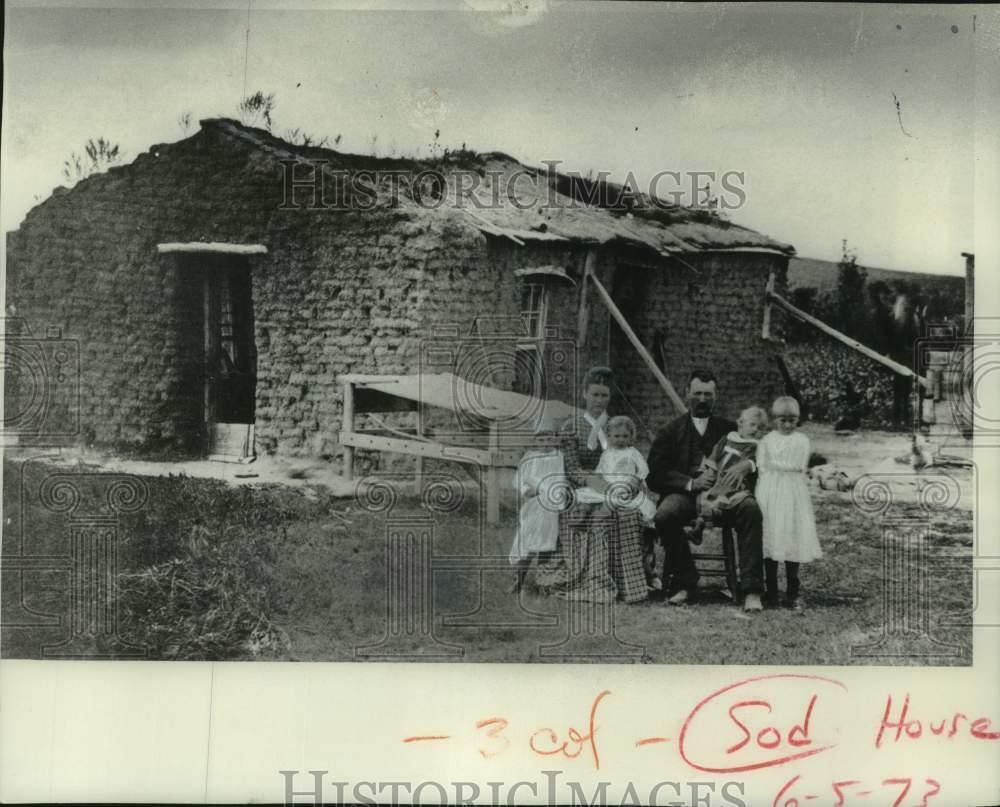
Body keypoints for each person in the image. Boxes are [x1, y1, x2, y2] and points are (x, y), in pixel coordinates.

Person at [647, 370, 765, 611]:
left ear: (716, 396)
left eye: (708, 395)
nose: (702, 400)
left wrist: (748, 465)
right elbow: (655, 475)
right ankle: (685, 581)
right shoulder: (670, 431)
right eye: (697, 393)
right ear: (687, 394)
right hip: (686, 496)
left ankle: (751, 589)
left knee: (751, 509)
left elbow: (765, 452)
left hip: (728, 495)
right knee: (664, 515)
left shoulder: (732, 429)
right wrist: (690, 483)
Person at [533, 367, 648, 603]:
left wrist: (629, 482)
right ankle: (592, 580)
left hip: (616, 486)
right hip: (582, 487)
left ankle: (630, 583)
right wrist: (595, 482)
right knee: (596, 515)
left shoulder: (616, 425)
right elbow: (572, 468)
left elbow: (629, 459)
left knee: (628, 513)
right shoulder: (571, 426)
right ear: (584, 394)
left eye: (604, 395)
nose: (599, 400)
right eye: (594, 395)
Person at [756, 396, 822, 609]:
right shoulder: (767, 441)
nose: (787, 425)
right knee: (771, 534)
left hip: (793, 491)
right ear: (775, 420)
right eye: (782, 420)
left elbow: (801, 466)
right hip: (772, 490)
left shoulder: (801, 440)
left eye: (792, 420)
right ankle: (771, 590)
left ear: (798, 420)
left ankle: (793, 591)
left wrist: (786, 471)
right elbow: (762, 465)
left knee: (792, 535)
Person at [685, 406, 769, 545]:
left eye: (760, 428)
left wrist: (750, 463)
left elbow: (760, 462)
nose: (755, 430)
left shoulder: (756, 446)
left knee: (731, 499)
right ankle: (700, 525)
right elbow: (714, 455)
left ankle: (702, 523)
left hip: (736, 484)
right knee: (705, 497)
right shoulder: (728, 438)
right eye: (752, 425)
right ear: (741, 423)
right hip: (718, 478)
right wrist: (710, 469)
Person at [507, 431, 567, 592]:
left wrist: (555, 495)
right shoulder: (530, 456)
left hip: (551, 507)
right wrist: (526, 489)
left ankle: (543, 583)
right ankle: (518, 579)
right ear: (535, 440)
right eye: (541, 439)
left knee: (546, 544)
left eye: (549, 439)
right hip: (533, 505)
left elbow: (560, 479)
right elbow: (520, 478)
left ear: (556, 439)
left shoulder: (559, 456)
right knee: (526, 542)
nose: (545, 443)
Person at [574, 415, 658, 523]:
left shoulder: (632, 452)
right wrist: (598, 477)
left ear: (631, 437)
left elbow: (644, 469)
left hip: (626, 484)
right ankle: (585, 514)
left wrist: (636, 479)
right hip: (608, 484)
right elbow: (600, 469)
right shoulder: (607, 453)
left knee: (618, 499)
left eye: (625, 436)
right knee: (589, 494)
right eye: (617, 436)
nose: (621, 440)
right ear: (609, 436)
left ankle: (604, 514)